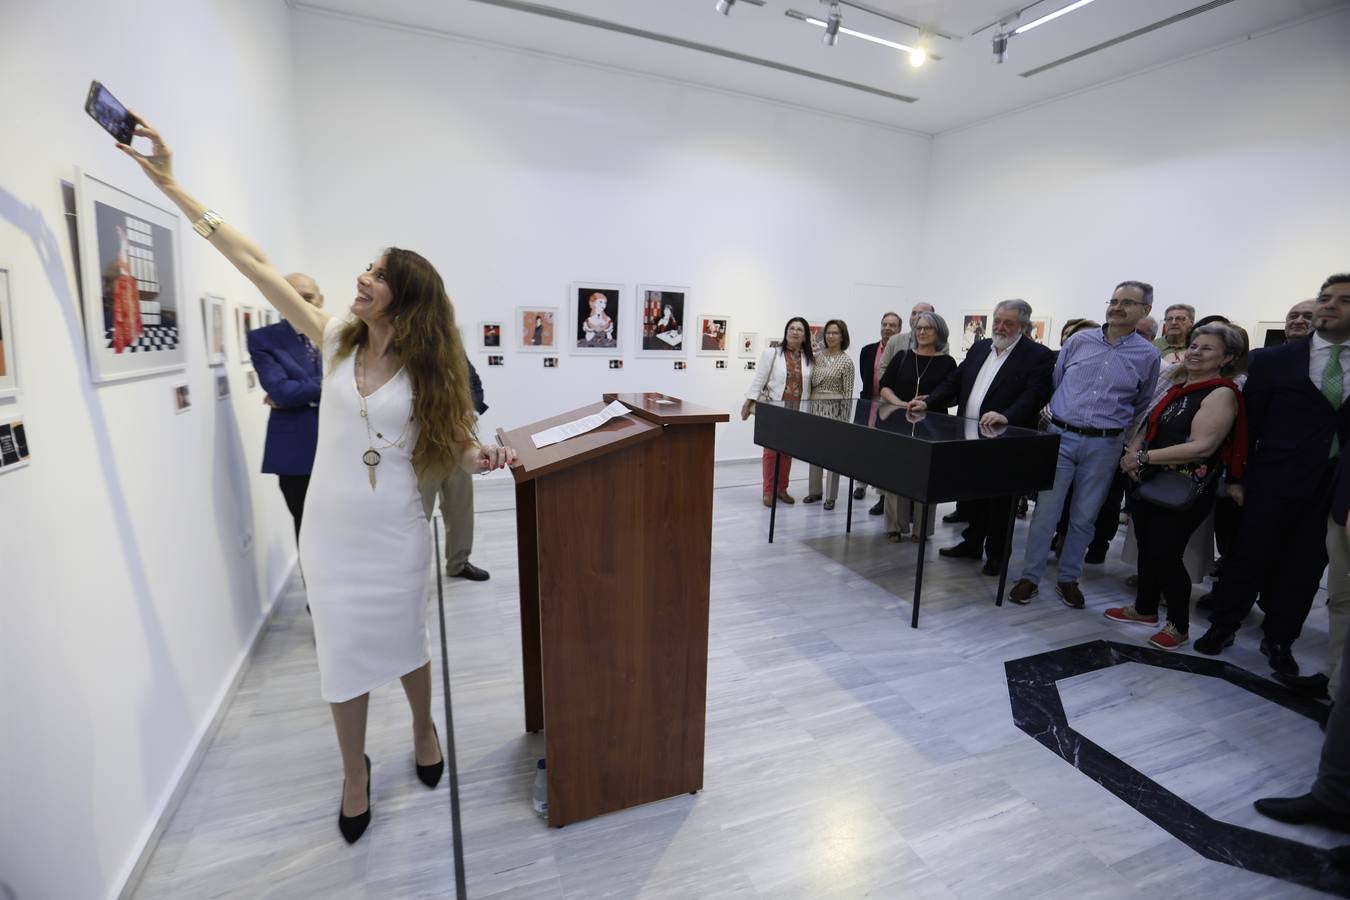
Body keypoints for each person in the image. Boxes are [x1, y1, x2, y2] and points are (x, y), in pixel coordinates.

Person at [119, 118, 515, 845]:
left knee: (404, 638)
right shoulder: (332, 337)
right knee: (340, 653)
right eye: (365, 270)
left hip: (394, 531)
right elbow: (251, 260)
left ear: (406, 298)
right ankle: (354, 772)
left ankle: (424, 729)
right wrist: (169, 182)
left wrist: (483, 459)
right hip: (329, 533)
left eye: (376, 274)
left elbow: (459, 446)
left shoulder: (434, 369)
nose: (360, 279)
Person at [1195, 274, 1350, 674]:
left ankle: (1280, 638)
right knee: (1248, 557)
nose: (1330, 305)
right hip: (1272, 479)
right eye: (1325, 298)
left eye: (1344, 300)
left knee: (1304, 568)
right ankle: (1224, 625)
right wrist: (1236, 477)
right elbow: (1249, 426)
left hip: (1334, 487)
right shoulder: (1272, 360)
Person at [1006, 281, 1159, 609]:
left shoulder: (1147, 355)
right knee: (1046, 512)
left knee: (1084, 516)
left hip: (1104, 445)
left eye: (1128, 303)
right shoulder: (1079, 340)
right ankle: (1029, 577)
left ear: (1145, 311)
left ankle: (1068, 578)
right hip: (1060, 437)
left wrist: (1124, 441)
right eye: (1114, 300)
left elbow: (1142, 403)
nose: (1117, 307)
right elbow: (1059, 381)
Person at [1104, 324, 1247, 649]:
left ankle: (1178, 625)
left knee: (1166, 554)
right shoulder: (1177, 387)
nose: (1196, 352)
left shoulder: (1221, 393)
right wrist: (1132, 455)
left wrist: (1142, 458)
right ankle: (1143, 609)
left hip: (1183, 487)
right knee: (1147, 546)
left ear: (1227, 358)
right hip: (1150, 479)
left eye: (1207, 348)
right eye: (1194, 346)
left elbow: (1202, 447)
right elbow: (1147, 426)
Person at [917, 300, 1054, 573]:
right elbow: (956, 380)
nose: (1001, 327)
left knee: (1001, 501)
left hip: (1005, 440)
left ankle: (997, 555)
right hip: (969, 436)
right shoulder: (981, 347)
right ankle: (971, 543)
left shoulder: (1037, 355)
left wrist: (1007, 416)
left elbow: (1034, 394)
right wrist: (929, 401)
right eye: (998, 321)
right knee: (973, 495)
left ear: (1023, 326)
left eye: (1009, 323)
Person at [247, 273, 325, 542]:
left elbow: (362, 383)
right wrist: (333, 385)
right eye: (290, 296)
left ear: (320, 300)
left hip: (345, 449)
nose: (300, 304)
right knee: (308, 531)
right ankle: (316, 586)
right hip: (296, 454)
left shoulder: (344, 336)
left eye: (307, 297)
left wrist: (301, 391)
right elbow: (281, 390)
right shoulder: (263, 340)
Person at [876, 311, 956, 541]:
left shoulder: (947, 362)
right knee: (895, 475)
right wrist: (900, 404)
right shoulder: (902, 356)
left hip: (932, 427)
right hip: (898, 423)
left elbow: (952, 395)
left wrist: (929, 399)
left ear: (938, 332)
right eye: (918, 328)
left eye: (927, 328)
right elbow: (884, 386)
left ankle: (921, 530)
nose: (921, 332)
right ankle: (894, 526)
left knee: (926, 478)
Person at [743, 317, 813, 507]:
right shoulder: (772, 353)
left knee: (787, 451)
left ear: (805, 336)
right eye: (792, 328)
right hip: (774, 410)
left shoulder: (809, 359)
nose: (795, 331)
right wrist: (748, 403)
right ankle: (768, 491)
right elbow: (759, 379)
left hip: (796, 411)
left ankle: (782, 489)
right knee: (771, 452)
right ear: (786, 331)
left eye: (800, 329)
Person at [439, 360, 491, 581]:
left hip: (458, 440)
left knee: (460, 506)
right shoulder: (399, 348)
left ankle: (458, 563)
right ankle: (410, 572)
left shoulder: (451, 346)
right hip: (419, 448)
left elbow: (475, 384)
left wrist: (470, 412)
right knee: (416, 512)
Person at [804, 320, 855, 510]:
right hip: (815, 408)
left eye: (835, 333)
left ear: (843, 336)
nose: (830, 336)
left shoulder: (847, 362)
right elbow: (809, 387)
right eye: (828, 333)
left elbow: (848, 394)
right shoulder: (816, 357)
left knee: (832, 454)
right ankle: (814, 491)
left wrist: (844, 419)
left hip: (835, 409)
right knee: (815, 451)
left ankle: (831, 496)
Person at [854, 312, 902, 507]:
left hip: (890, 406)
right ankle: (860, 484)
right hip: (868, 403)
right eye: (884, 324)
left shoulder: (902, 352)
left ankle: (883, 494)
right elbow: (866, 376)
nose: (887, 328)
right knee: (864, 447)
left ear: (899, 329)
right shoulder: (867, 350)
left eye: (892, 325)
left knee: (884, 450)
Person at [877, 301, 936, 382]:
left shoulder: (940, 344)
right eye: (913, 313)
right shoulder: (894, 340)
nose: (916, 317)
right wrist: (890, 390)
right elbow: (882, 368)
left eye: (921, 313)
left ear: (933, 319)